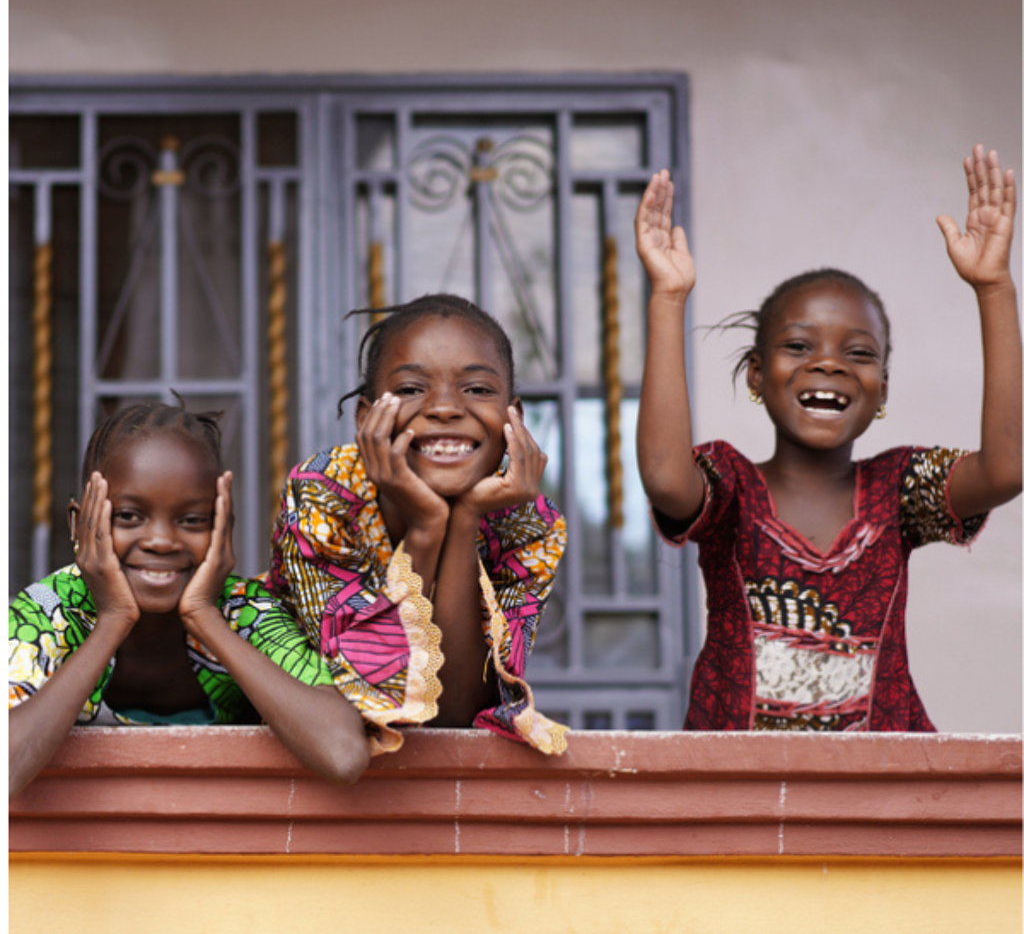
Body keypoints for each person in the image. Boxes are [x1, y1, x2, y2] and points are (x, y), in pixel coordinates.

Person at [634, 149, 1021, 731]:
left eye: (858, 353)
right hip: (742, 793)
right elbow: (665, 477)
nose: (830, 365)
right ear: (757, 375)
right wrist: (667, 299)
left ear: (882, 388)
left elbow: (1007, 469)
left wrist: (993, 287)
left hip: (880, 796)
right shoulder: (731, 485)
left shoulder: (898, 489)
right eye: (799, 346)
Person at [9, 402, 370, 798]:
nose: (162, 541)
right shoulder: (49, 610)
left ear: (222, 526)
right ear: (81, 523)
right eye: (129, 516)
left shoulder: (244, 610)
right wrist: (113, 619)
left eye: (192, 520)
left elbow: (343, 755)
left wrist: (205, 616)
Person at [267, 294, 568, 757]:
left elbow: (454, 713)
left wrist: (464, 519)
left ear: (515, 419)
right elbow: (376, 691)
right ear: (367, 419)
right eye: (411, 389)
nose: (445, 408)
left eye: (478, 389)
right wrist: (428, 526)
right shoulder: (323, 494)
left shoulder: (527, 525)